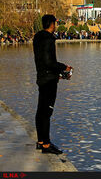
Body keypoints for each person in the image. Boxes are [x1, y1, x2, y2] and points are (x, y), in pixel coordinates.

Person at [33, 15, 73, 154]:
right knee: (47, 112)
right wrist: (64, 67)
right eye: (55, 23)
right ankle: (46, 145)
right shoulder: (49, 39)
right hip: (49, 81)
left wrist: (58, 74)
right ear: (52, 24)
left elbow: (43, 62)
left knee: (40, 111)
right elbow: (49, 62)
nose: (56, 25)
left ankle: (40, 141)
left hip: (43, 77)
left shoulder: (37, 37)